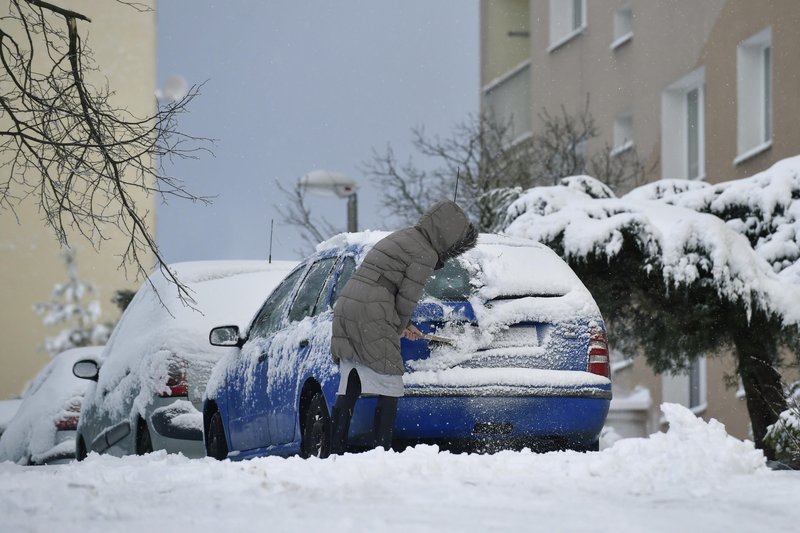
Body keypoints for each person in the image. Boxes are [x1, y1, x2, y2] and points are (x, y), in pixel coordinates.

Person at [329, 200, 478, 454]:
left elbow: (390, 282)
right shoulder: (426, 253)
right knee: (390, 379)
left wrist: (403, 324)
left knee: (352, 379)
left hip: (349, 304)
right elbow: (408, 296)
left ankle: (333, 449)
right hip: (373, 308)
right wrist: (400, 324)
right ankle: (381, 449)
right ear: (449, 237)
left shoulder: (404, 236)